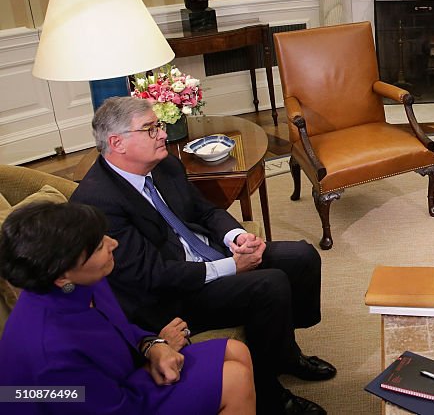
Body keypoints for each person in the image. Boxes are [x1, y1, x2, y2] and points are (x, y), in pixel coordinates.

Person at [71, 96, 333, 415]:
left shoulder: (165, 164)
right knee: (270, 284)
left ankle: (286, 354)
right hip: (174, 293)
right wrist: (231, 267)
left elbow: (205, 211)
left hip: (206, 254)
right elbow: (153, 275)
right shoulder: (98, 202)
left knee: (302, 256)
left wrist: (237, 237)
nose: (163, 135)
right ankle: (269, 395)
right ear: (117, 143)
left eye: (160, 126)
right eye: (151, 129)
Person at [0, 201, 256, 414]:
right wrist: (148, 365)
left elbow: (118, 326)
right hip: (108, 403)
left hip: (115, 385)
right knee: (234, 380)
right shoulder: (51, 354)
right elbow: (109, 407)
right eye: (100, 246)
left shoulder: (84, 281)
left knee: (236, 351)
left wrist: (152, 345)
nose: (113, 243)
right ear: (62, 275)